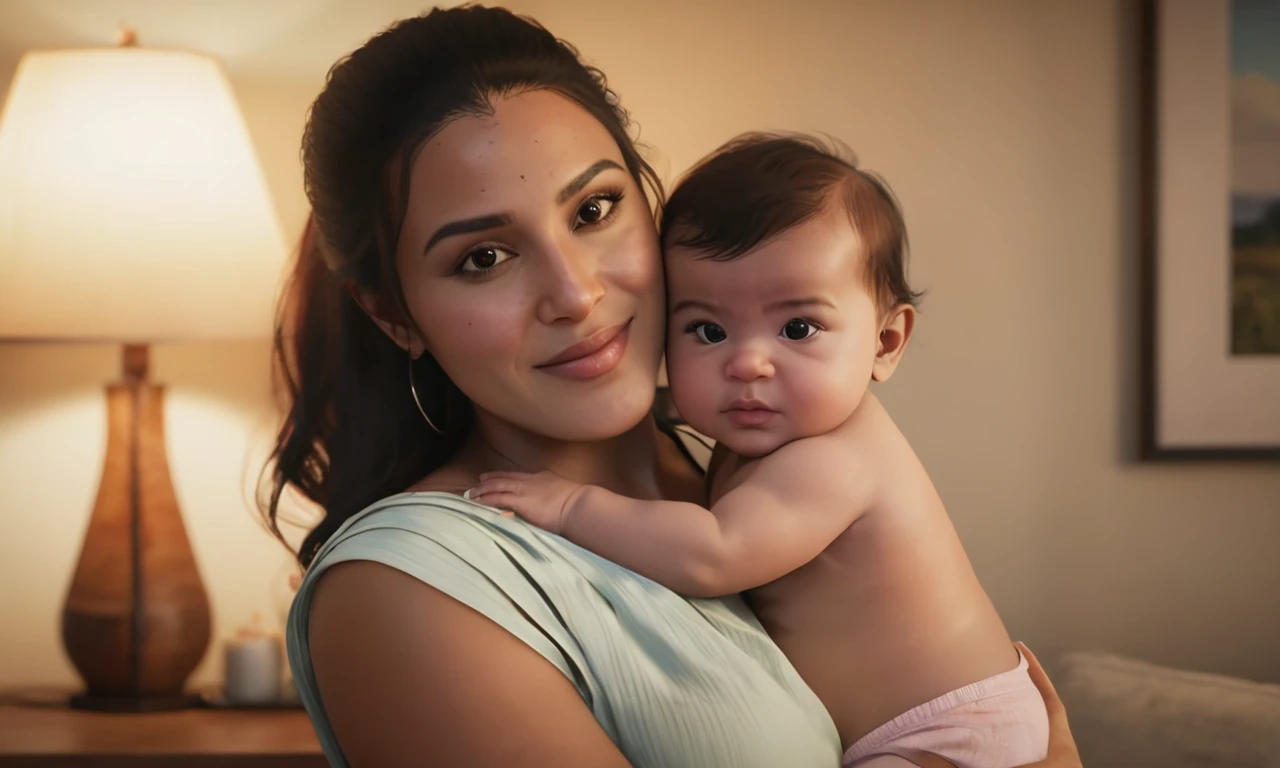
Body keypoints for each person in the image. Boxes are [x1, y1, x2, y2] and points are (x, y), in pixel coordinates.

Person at [263, 6, 1084, 767]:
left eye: (594, 210)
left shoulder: (748, 470)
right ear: (395, 316)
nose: (576, 294)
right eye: (483, 257)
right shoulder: (409, 591)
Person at [471, 134, 1048, 767]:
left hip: (947, 731)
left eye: (798, 328)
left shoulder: (833, 457)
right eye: (708, 330)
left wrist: (572, 505)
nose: (747, 363)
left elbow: (716, 553)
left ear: (885, 341)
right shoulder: (767, 436)